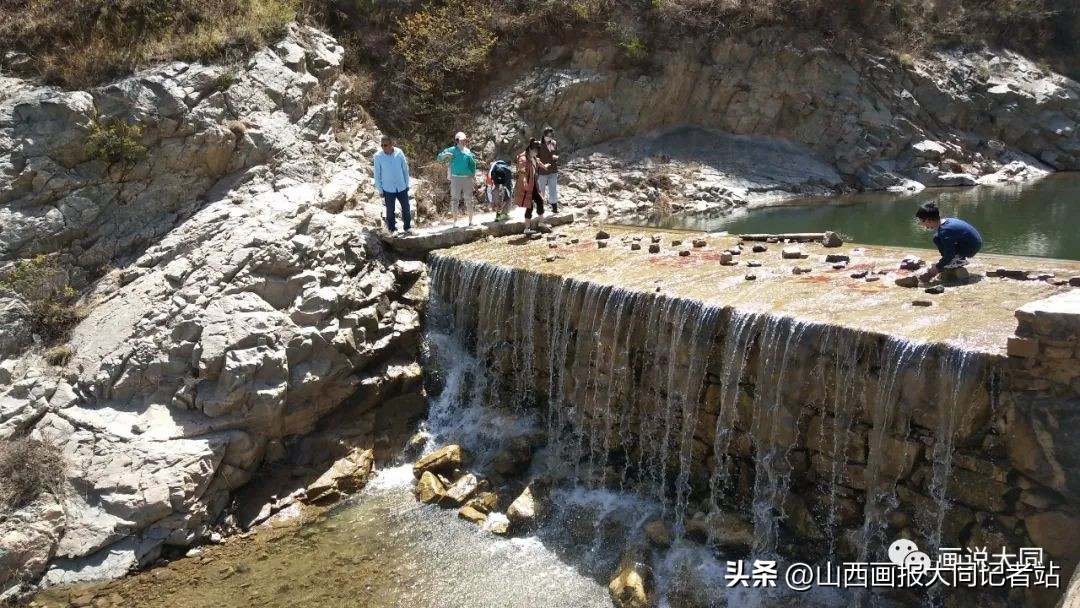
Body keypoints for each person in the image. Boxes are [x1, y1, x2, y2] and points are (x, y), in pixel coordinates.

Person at [915, 201, 982, 282]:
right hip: (971, 242)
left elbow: (949, 253)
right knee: (936, 237)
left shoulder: (945, 231)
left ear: (928, 220)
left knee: (947, 254)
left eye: (922, 221)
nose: (921, 224)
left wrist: (937, 267)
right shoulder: (946, 222)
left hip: (971, 247)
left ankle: (955, 260)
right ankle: (953, 259)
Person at [437, 132, 478, 226]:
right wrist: (445, 155)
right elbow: (439, 158)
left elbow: (473, 164)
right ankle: (455, 222)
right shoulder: (451, 150)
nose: (464, 141)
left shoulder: (468, 151)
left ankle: (471, 221)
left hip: (467, 178)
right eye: (462, 140)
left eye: (465, 140)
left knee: (469, 200)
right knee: (455, 200)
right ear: (457, 141)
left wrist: (473, 175)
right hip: (455, 178)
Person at [373, 135, 411, 235]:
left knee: (406, 208)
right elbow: (377, 174)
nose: (383, 147)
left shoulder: (399, 152)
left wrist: (407, 184)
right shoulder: (378, 156)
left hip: (401, 186)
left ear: (391, 144)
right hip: (388, 188)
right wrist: (380, 190)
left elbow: (405, 169)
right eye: (381, 145)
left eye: (385, 145)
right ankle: (392, 229)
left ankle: (407, 228)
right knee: (390, 211)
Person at [514, 139, 551, 234]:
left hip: (533, 184)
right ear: (531, 149)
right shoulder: (523, 158)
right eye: (536, 150)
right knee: (529, 205)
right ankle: (527, 228)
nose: (537, 152)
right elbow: (521, 171)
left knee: (539, 201)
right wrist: (525, 181)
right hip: (526, 185)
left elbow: (537, 162)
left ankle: (541, 223)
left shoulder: (532, 157)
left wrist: (545, 166)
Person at [536, 126, 560, 213]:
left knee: (553, 189)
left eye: (552, 134)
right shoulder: (538, 144)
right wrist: (542, 165)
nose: (551, 136)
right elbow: (536, 158)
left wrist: (556, 157)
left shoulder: (554, 143)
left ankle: (554, 208)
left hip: (553, 170)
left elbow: (557, 154)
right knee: (541, 190)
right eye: (549, 134)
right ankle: (540, 208)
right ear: (545, 134)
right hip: (542, 171)